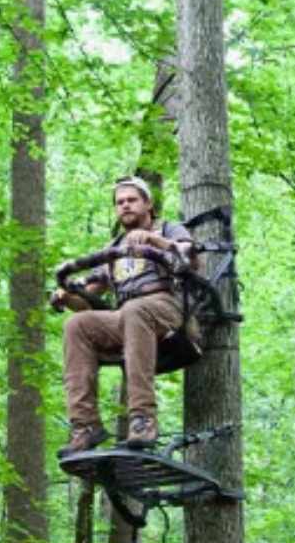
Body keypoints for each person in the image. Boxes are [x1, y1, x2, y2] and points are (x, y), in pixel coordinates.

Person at [51, 176, 194, 457]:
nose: (125, 206)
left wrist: (153, 240)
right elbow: (87, 300)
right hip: (127, 315)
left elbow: (190, 258)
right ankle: (85, 426)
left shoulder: (168, 228)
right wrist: (67, 297)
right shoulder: (114, 249)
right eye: (120, 202)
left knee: (133, 310)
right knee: (77, 325)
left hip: (166, 306)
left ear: (148, 204)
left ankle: (142, 418)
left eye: (132, 200)